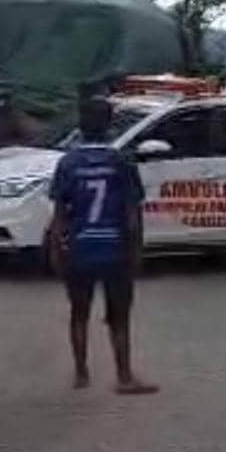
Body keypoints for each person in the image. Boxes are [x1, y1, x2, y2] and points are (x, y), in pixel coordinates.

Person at [49, 95, 158, 395]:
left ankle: (81, 373)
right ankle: (124, 376)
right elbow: (132, 215)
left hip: (80, 248)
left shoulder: (68, 163)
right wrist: (136, 251)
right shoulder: (121, 162)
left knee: (78, 312)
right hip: (115, 249)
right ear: (110, 124)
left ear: (80, 125)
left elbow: (59, 215)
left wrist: (56, 251)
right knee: (119, 316)